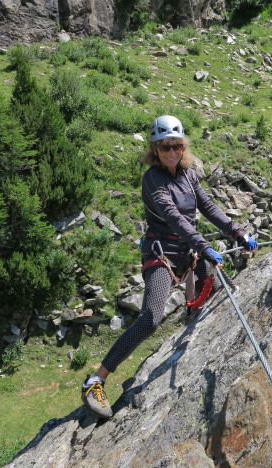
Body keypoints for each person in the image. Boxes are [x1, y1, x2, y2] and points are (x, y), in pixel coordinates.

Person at [81, 115, 257, 418]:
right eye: (165, 148)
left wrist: (236, 231)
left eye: (176, 146)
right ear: (155, 150)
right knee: (151, 316)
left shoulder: (188, 175)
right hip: (161, 252)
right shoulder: (152, 179)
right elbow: (173, 216)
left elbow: (208, 207)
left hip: (189, 251)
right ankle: (96, 379)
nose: (172, 152)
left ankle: (192, 341)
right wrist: (204, 247)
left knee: (220, 290)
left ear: (183, 147)